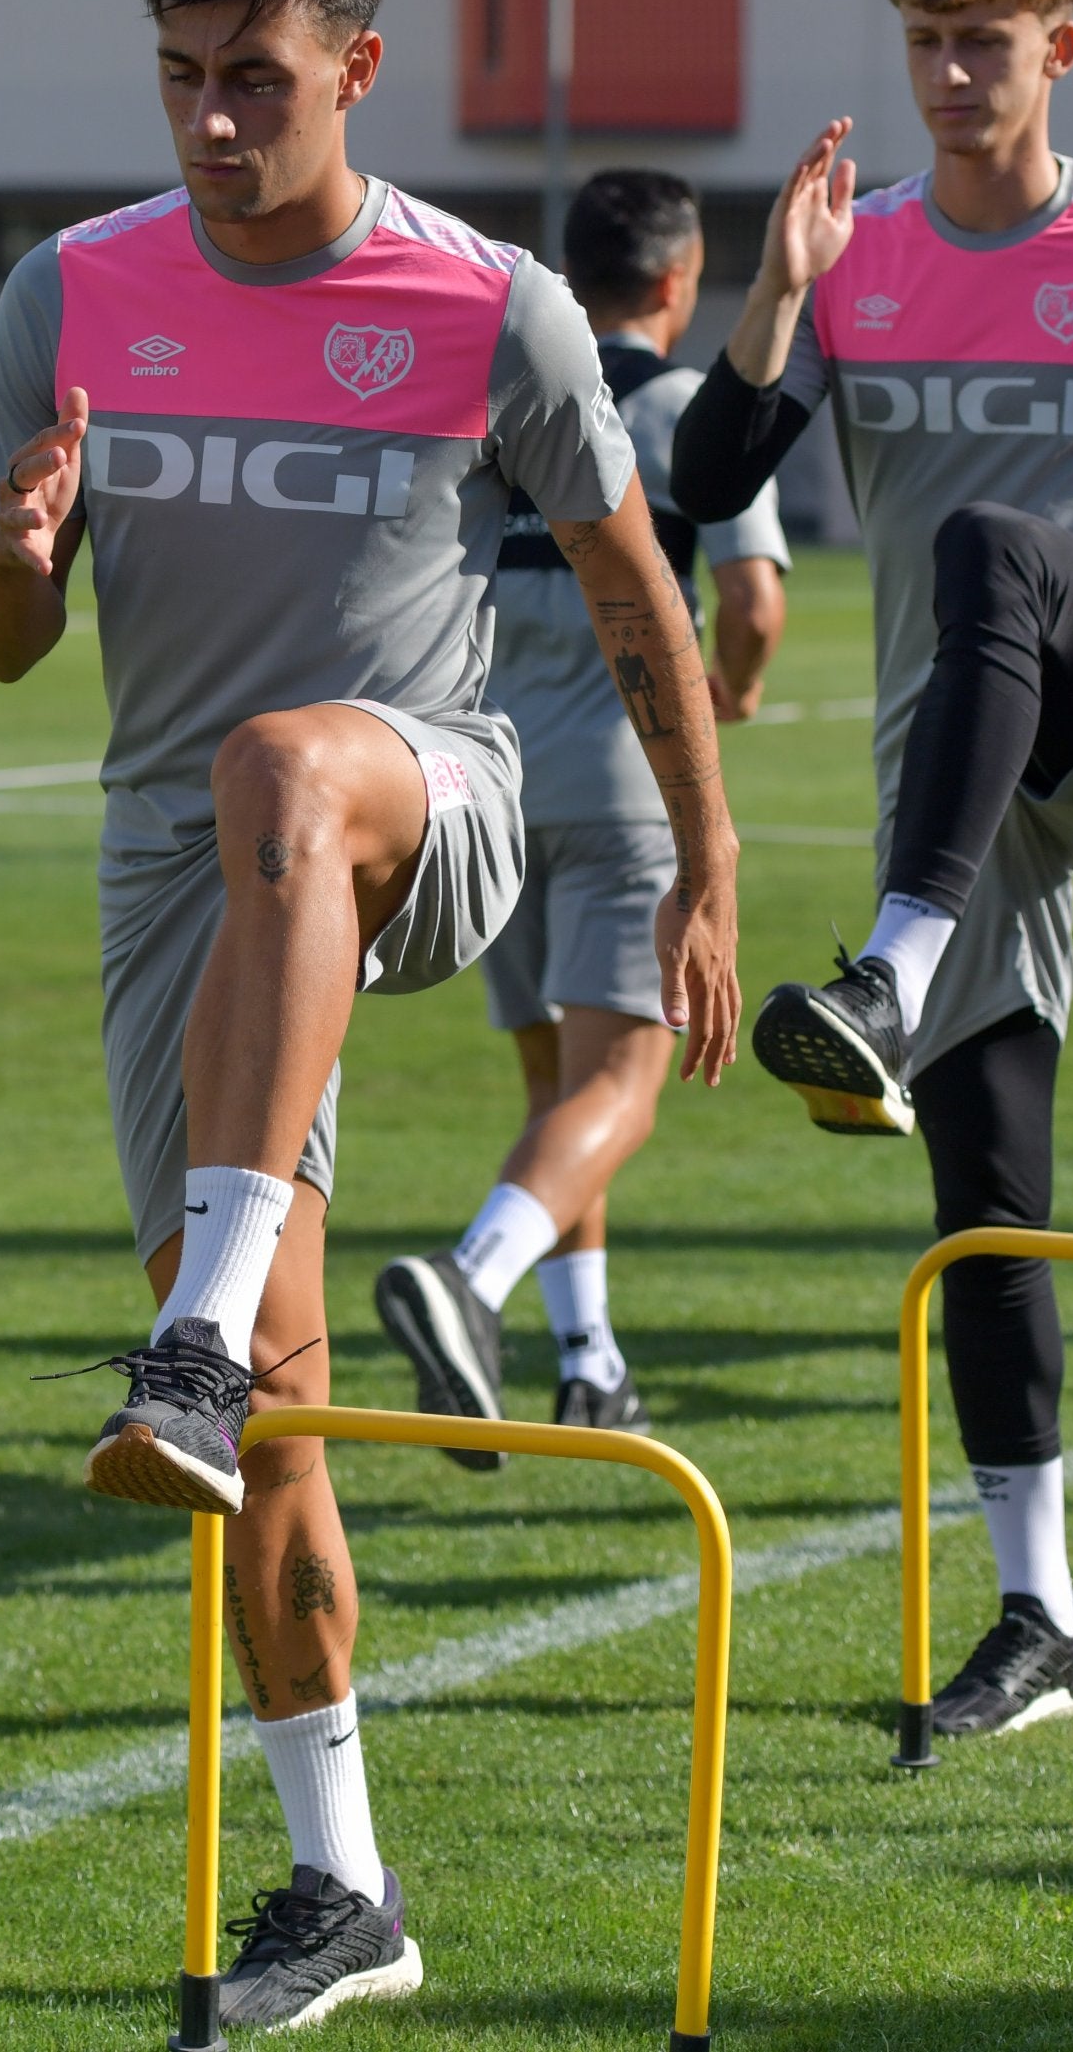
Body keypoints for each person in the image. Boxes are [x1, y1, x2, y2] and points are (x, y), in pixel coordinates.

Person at [0, 0, 739, 2031]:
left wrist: (708, 863)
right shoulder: (73, 290)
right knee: (275, 1441)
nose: (213, 122)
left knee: (293, 764)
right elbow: (4, 639)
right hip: (178, 875)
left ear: (354, 72)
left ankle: (190, 1330)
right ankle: (346, 1883)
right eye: (184, 80)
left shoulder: (492, 300)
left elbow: (634, 585)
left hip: (432, 795)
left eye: (258, 82)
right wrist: (18, 558)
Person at [670, 0, 1073, 1740]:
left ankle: (894, 967)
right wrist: (775, 285)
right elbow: (701, 482)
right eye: (926, 39)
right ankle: (1045, 1614)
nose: (947, 72)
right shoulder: (863, 259)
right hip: (970, 767)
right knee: (988, 1195)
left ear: (1056, 52)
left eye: (984, 42)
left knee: (1004, 546)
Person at [376, 171, 787, 1446]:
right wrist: (730, 688)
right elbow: (757, 598)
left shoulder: (516, 398)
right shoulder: (683, 415)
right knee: (626, 1083)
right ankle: (471, 1281)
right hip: (625, 784)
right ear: (679, 280)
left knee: (559, 1092)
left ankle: (589, 1356)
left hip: (490, 783)